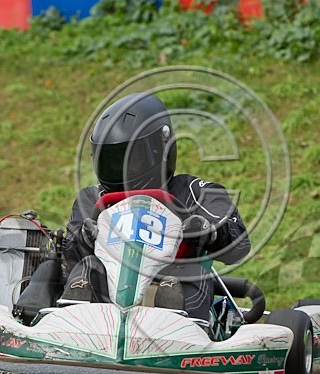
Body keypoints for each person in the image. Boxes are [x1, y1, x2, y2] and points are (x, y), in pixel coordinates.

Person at [60, 92, 250, 320]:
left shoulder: (194, 192)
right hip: (104, 303)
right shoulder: (92, 198)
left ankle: (175, 321)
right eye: (111, 161)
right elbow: (69, 260)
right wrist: (82, 237)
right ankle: (76, 317)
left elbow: (239, 244)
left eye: (132, 159)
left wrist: (210, 232)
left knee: (191, 272)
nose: (121, 170)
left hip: (173, 285)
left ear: (161, 149)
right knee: (88, 266)